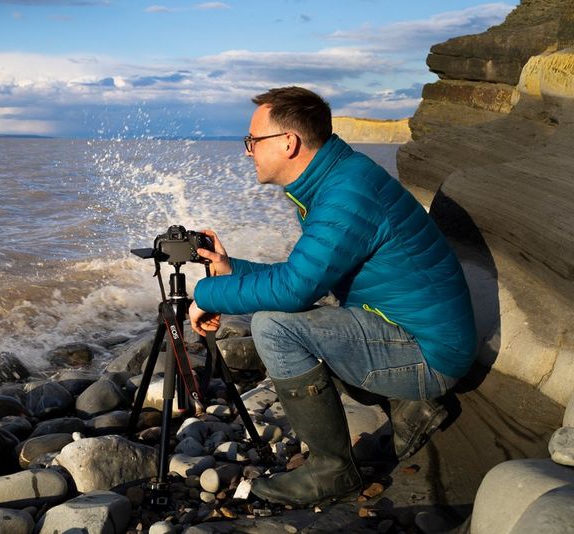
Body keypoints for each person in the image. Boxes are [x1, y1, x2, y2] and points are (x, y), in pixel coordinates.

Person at [188, 86, 477, 507]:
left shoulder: (346, 194)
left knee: (274, 326)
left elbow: (293, 290)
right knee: (294, 315)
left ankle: (332, 470)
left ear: (288, 143)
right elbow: (301, 279)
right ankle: (410, 406)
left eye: (252, 141)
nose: (247, 151)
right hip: (412, 329)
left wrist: (205, 293)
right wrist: (232, 272)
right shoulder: (339, 179)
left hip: (430, 352)